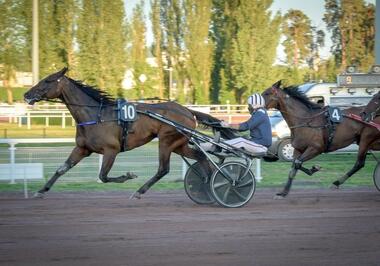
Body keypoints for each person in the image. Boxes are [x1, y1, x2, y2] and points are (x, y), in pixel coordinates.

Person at [202, 93, 272, 154]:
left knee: (241, 141)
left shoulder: (260, 114)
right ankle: (212, 145)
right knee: (237, 140)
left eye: (250, 105)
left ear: (255, 105)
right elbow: (243, 127)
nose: (248, 107)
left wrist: (228, 125)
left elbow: (245, 126)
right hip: (258, 144)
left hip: (261, 146)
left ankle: (215, 146)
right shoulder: (260, 113)